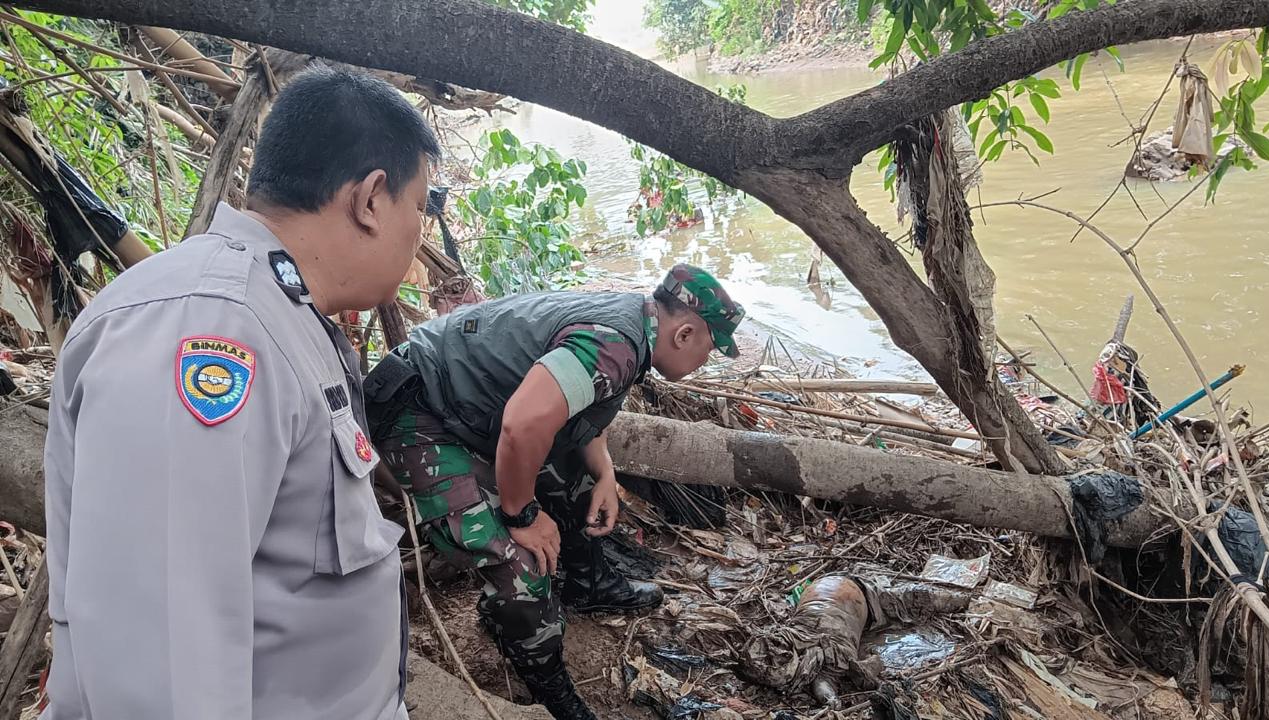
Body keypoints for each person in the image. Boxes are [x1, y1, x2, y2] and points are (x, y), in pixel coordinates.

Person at [41, 66, 440, 719]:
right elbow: (164, 671)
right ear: (370, 200)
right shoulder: (211, 327)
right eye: (420, 206)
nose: (420, 233)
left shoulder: (280, 312)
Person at [363, 264, 745, 719]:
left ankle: (588, 585)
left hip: (469, 405)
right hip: (419, 413)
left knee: (577, 479)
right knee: (518, 561)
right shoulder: (615, 342)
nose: (708, 359)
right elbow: (524, 423)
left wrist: (604, 473)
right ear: (684, 334)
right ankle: (548, 686)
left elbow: (579, 409)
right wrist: (522, 514)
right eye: (711, 348)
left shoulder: (632, 324)